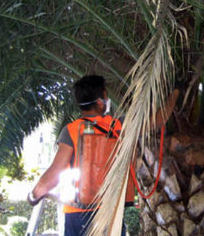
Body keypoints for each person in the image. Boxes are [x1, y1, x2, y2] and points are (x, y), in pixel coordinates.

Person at [27, 75, 179, 236]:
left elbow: (54, 175)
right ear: (100, 103)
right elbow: (158, 120)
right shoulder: (119, 126)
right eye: (106, 97)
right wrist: (175, 92)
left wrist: (33, 196)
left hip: (78, 215)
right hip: (111, 213)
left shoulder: (71, 130)